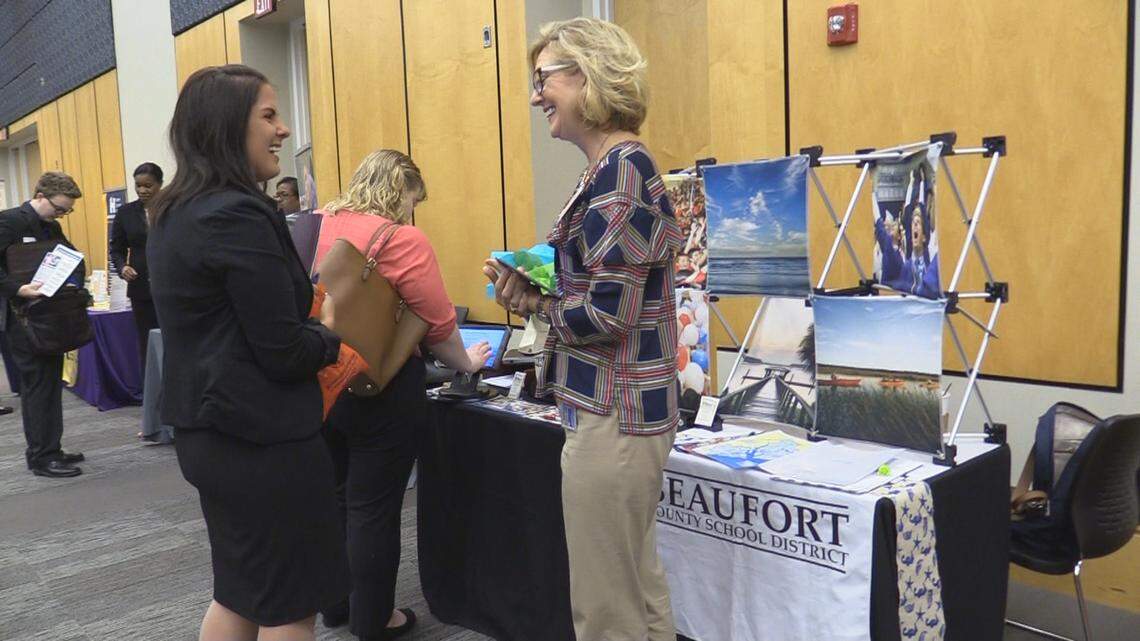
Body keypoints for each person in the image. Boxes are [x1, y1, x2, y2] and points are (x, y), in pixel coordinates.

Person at [484, 18, 682, 641]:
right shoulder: (614, 168)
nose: (536, 94)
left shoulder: (619, 174)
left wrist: (541, 308)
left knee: (605, 609)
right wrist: (537, 291)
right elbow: (603, 293)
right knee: (636, 592)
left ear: (589, 76)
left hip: (614, 417)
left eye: (543, 78)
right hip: (620, 411)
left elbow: (606, 314)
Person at [147, 64, 348, 641]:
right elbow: (283, 351)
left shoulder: (176, 211)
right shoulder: (237, 214)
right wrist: (329, 331)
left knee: (240, 591)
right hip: (263, 440)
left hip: (213, 433)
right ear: (226, 126)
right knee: (288, 604)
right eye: (268, 115)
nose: (284, 129)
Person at [313, 149, 490, 641]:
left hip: (326, 375)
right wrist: (467, 363)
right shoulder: (402, 238)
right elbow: (436, 321)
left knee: (336, 497)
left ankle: (334, 606)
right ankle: (374, 619)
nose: (414, 211)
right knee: (374, 507)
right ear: (400, 191)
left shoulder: (325, 222)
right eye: (414, 199)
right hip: (382, 387)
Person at [0, 171, 87, 477]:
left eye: (67, 211)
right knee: (37, 386)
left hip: (48, 317)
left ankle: (52, 448)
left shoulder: (51, 227)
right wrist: (17, 289)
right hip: (19, 317)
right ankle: (41, 456)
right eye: (60, 208)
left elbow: (71, 257)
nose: (62, 215)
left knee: (50, 384)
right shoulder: (9, 222)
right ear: (40, 196)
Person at [110, 162, 164, 367]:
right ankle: (150, 392)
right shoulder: (126, 213)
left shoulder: (173, 208)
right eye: (138, 186)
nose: (142, 191)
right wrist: (122, 266)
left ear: (160, 184)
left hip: (171, 284)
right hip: (141, 287)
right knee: (147, 341)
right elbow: (116, 248)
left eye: (148, 186)